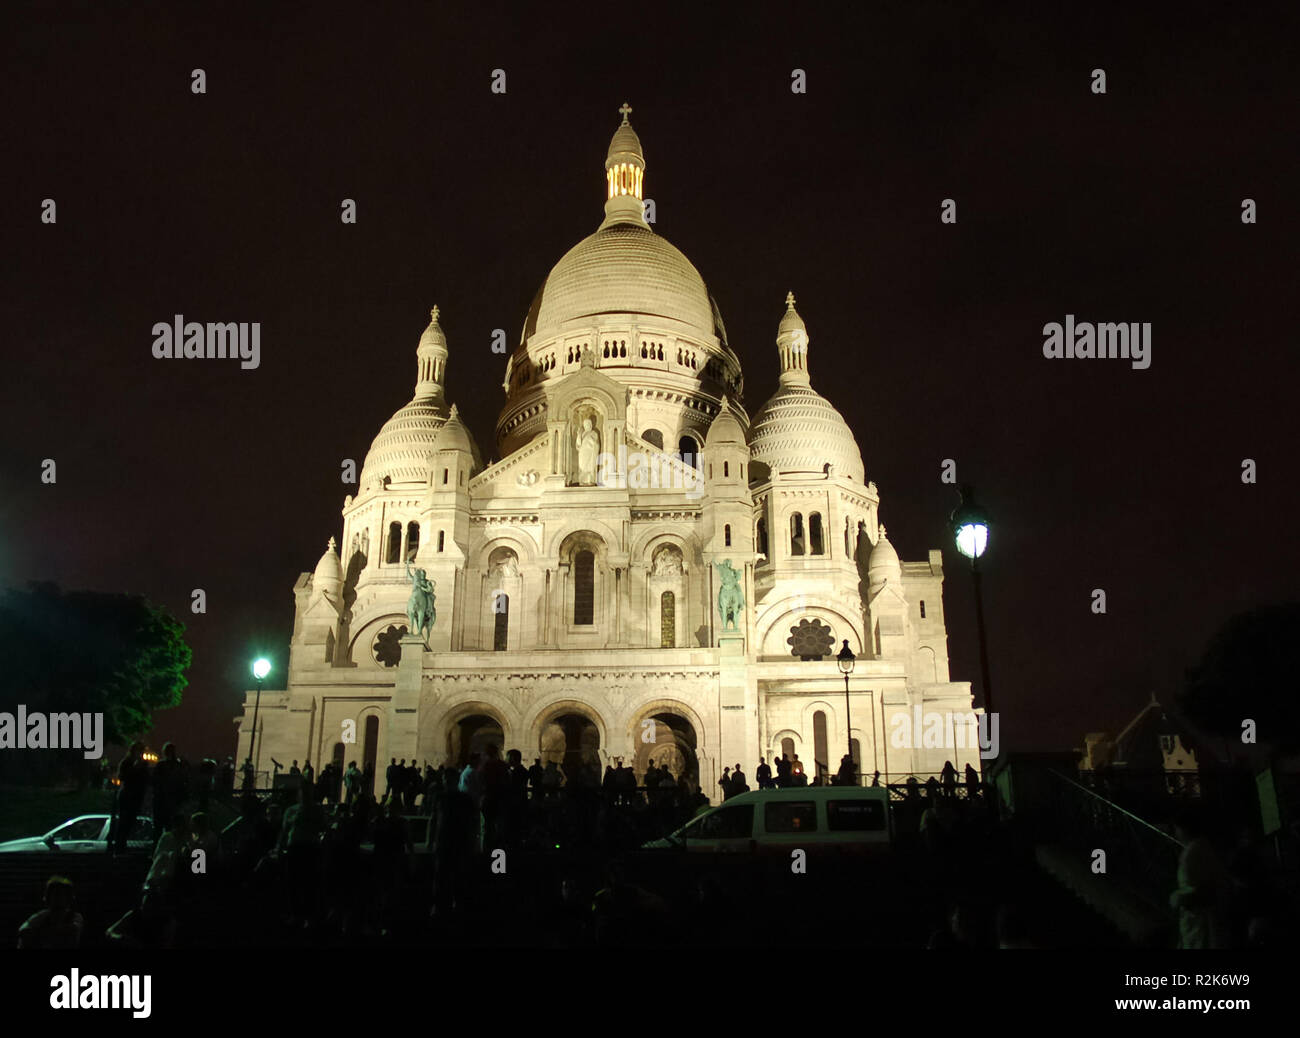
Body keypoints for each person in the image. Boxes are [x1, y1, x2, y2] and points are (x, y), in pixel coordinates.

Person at [1170, 810, 1232, 949]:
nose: (1176, 834)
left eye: (1176, 829)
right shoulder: (1204, 848)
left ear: (1183, 829)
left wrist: (1178, 898)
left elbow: (1202, 891)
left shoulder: (1192, 854)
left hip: (1200, 925)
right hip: (1204, 924)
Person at [17, 876, 83, 949]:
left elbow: (73, 930)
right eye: (55, 894)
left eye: (62, 894)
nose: (58, 898)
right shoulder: (43, 915)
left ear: (69, 897)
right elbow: (22, 931)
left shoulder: (74, 917)